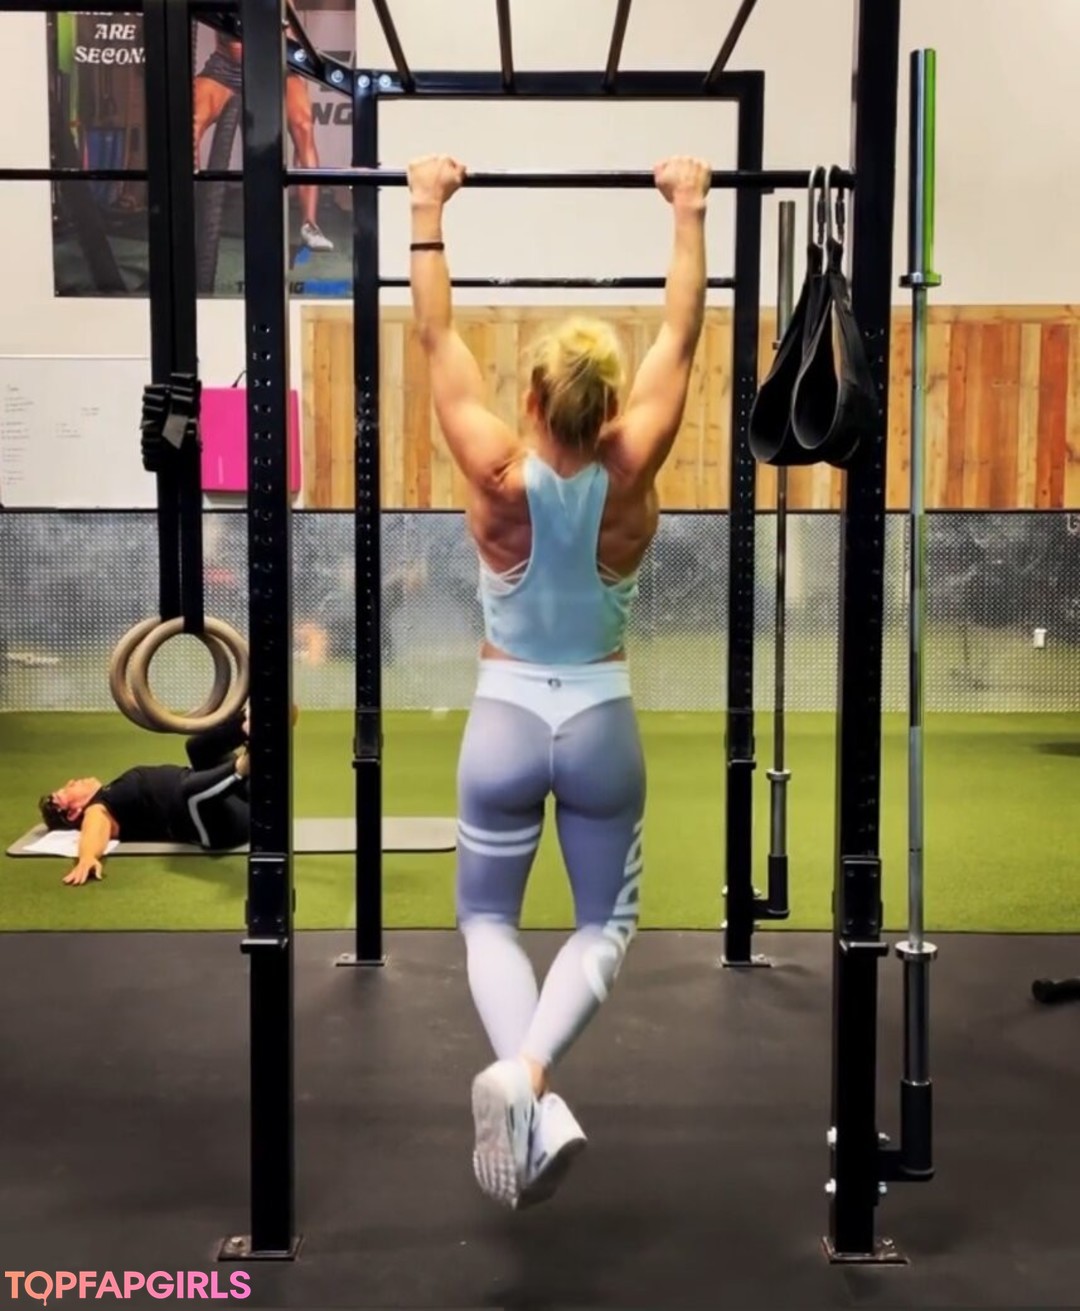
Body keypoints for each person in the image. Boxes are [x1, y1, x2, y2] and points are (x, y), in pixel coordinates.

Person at [407, 153, 710, 1208]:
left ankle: (522, 1083)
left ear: (531, 396)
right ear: (610, 403)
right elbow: (682, 335)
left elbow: (436, 336)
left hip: (501, 716)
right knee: (605, 924)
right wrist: (687, 209)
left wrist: (427, 206)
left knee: (487, 920)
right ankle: (529, 1076)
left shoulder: (494, 471)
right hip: (597, 722)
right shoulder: (634, 465)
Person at [38, 711, 252, 886]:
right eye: (64, 791)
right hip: (220, 825)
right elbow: (94, 827)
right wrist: (87, 857)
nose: (71, 782)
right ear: (74, 812)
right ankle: (244, 765)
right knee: (188, 792)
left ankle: (249, 720)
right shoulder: (98, 808)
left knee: (196, 747)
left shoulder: (110, 792)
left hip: (231, 797)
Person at [193, 28, 334, 252]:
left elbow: (290, 34)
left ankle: (310, 225)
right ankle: (190, 217)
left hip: (277, 68)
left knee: (303, 126)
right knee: (192, 123)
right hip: (226, 69)